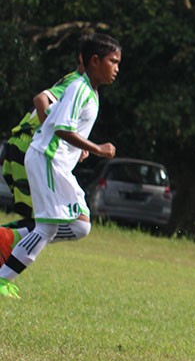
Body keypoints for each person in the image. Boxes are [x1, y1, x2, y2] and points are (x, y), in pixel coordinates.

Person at [0, 33, 120, 300]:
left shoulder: (90, 92)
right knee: (46, 227)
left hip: (57, 164)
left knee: (80, 226)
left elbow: (63, 127)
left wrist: (77, 150)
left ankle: (10, 236)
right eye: (113, 61)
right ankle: (2, 277)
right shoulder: (78, 86)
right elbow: (61, 127)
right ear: (94, 60)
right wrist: (96, 148)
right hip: (47, 160)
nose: (117, 69)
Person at [2, 67, 87, 230]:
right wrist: (48, 136)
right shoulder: (77, 82)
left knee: (41, 220)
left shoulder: (80, 85)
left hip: (24, 145)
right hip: (28, 146)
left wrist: (76, 145)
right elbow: (41, 100)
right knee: (45, 221)